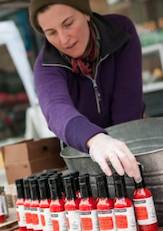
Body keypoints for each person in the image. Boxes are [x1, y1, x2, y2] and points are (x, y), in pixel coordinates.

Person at [29, 0, 143, 182]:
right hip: (84, 154)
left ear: (86, 13)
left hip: (133, 141)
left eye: (68, 24)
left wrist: (119, 145)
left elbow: (128, 100)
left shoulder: (120, 31)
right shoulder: (46, 66)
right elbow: (56, 110)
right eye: (51, 33)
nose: (63, 39)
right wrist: (96, 140)